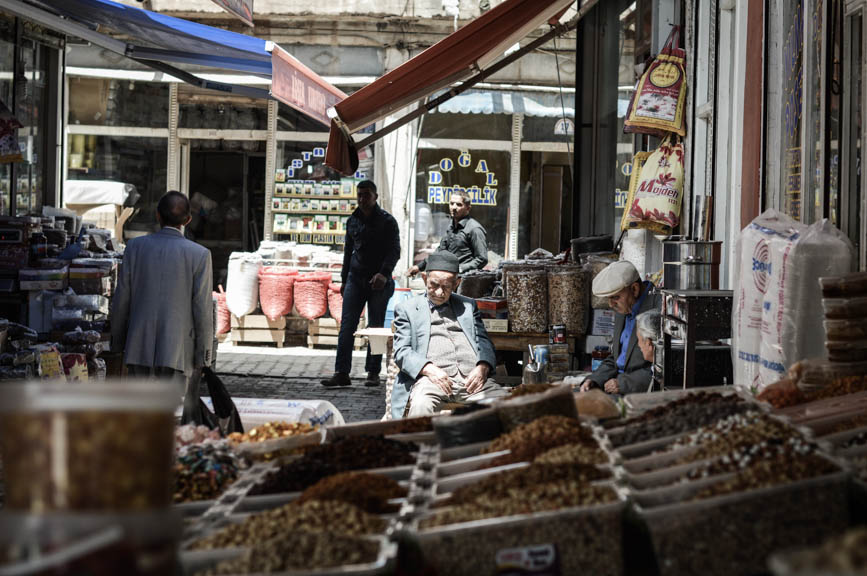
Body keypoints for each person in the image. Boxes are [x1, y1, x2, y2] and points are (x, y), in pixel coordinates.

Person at [111, 191, 214, 395]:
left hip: (139, 345)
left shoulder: (135, 247)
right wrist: (204, 356)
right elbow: (202, 309)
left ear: (157, 215)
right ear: (188, 219)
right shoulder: (199, 254)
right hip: (177, 349)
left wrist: (118, 344)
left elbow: (122, 299)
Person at [392, 251, 506, 418]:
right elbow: (402, 351)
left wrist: (483, 366)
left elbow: (483, 341)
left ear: (456, 284)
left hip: (473, 381)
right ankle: (419, 444)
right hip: (431, 381)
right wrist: (428, 369)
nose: (439, 292)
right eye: (434, 285)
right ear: (424, 279)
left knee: (508, 404)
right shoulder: (407, 309)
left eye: (446, 287)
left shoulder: (468, 306)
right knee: (421, 405)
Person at [321, 180, 400, 387]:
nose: (362, 199)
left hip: (379, 283)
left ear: (375, 197)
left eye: (366, 195)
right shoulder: (353, 220)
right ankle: (342, 373)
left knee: (375, 327)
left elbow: (394, 251)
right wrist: (344, 280)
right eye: (359, 195)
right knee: (347, 326)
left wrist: (384, 274)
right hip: (355, 280)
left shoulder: (387, 221)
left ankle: (373, 373)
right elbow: (348, 251)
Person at [581, 260, 660, 395]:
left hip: (641, 393)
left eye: (615, 297)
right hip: (617, 388)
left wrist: (625, 383)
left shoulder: (658, 308)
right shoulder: (623, 309)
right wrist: (594, 379)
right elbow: (617, 358)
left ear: (634, 289)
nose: (611, 304)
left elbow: (663, 365)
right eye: (608, 298)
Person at [406, 190, 488, 277]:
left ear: (468, 208)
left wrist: (460, 269)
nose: (454, 207)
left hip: (464, 281)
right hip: (448, 278)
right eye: (452, 203)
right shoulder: (451, 226)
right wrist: (419, 266)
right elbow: (440, 252)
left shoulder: (474, 229)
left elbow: (482, 259)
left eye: (459, 204)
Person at [636, 310, 662, 392]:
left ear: (648, 343)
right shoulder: (658, 368)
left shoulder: (662, 374)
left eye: (639, 340)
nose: (638, 344)